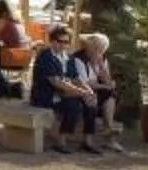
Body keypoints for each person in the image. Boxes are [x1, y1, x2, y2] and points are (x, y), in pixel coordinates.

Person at [30, 23, 107, 152]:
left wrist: (88, 91)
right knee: (74, 104)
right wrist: (82, 92)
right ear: (52, 41)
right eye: (60, 41)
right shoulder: (46, 57)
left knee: (91, 103)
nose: (63, 45)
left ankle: (87, 140)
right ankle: (61, 141)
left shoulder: (68, 57)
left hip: (63, 93)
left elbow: (76, 78)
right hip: (46, 95)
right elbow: (56, 82)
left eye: (66, 42)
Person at [71, 30, 124, 153]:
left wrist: (100, 67)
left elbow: (108, 81)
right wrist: (105, 86)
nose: (96, 51)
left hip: (95, 89)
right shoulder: (79, 59)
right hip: (78, 90)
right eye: (94, 48)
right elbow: (84, 83)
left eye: (100, 49)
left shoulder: (102, 58)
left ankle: (108, 131)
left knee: (110, 95)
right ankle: (89, 140)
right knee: (92, 100)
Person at [0, 0, 32, 96]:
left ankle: (3, 90)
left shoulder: (0, 22)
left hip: (9, 57)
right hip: (22, 57)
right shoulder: (17, 22)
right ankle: (8, 88)